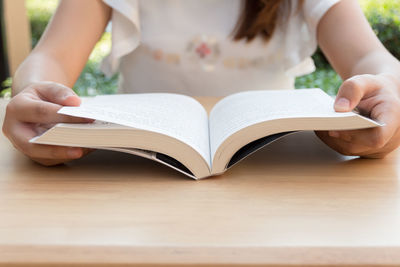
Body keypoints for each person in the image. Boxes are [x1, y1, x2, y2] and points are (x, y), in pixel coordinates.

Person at [2, 0, 400, 166]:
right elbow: (51, 57)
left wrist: (388, 88)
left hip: (272, 166)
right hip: (137, 165)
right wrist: (34, 91)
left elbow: (373, 58)